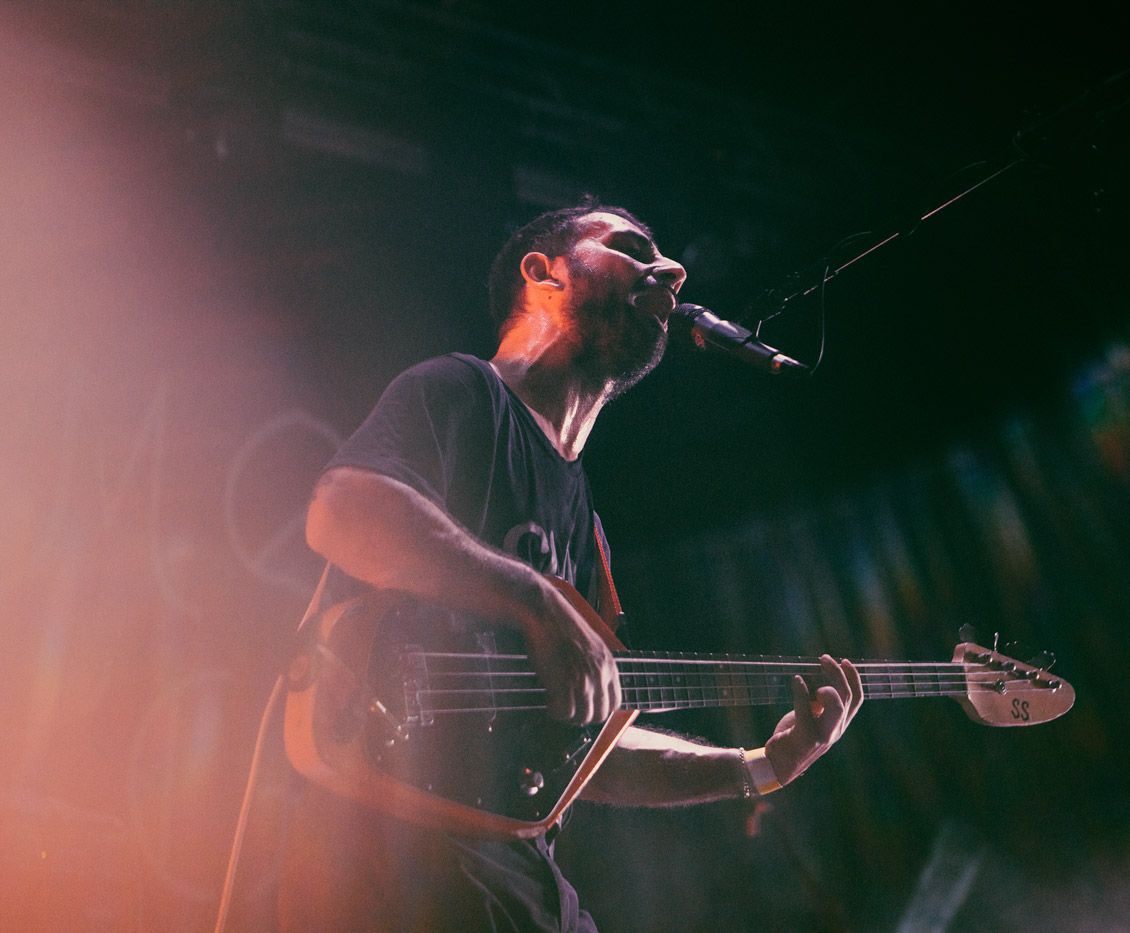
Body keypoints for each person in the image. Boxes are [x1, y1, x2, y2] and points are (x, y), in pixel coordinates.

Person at [280, 198, 863, 931]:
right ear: (543, 272)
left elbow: (587, 745)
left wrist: (761, 766)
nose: (673, 271)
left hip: (514, 873)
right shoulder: (459, 391)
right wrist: (537, 602)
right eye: (631, 248)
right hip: (400, 863)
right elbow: (342, 510)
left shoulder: (584, 521)